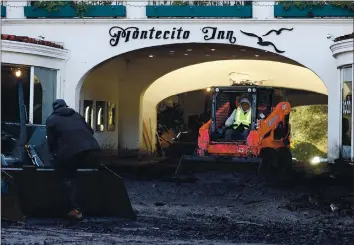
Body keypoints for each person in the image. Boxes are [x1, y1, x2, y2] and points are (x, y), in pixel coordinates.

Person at [46, 99, 100, 221]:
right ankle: (96, 205)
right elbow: (90, 130)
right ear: (66, 105)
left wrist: (54, 154)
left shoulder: (52, 120)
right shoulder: (76, 115)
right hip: (93, 149)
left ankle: (73, 209)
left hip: (71, 152)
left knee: (65, 176)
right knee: (88, 175)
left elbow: (51, 142)